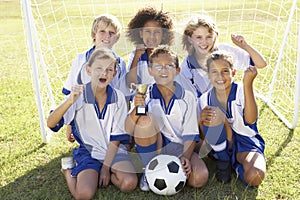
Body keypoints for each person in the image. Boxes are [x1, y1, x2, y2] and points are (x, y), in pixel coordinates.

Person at [47, 48, 138, 199]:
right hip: (89, 152)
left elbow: (116, 138)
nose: (104, 73)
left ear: (114, 74)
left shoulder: (119, 98)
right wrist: (69, 101)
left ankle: (104, 172)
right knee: (84, 194)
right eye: (99, 68)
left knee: (129, 183)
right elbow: (51, 123)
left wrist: (105, 168)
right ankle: (68, 171)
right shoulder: (77, 96)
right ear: (88, 70)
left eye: (109, 69)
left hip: (114, 151)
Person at [125, 45, 209, 192]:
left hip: (180, 146)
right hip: (156, 145)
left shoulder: (187, 97)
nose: (163, 70)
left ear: (177, 71)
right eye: (158, 66)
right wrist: (137, 108)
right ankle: (149, 169)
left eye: (169, 66)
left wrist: (186, 157)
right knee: (144, 120)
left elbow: (190, 134)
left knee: (200, 178)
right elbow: (128, 128)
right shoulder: (146, 94)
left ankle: (173, 172)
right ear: (150, 71)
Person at [198, 50, 266, 186]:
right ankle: (224, 161)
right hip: (221, 143)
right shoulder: (204, 99)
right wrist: (200, 121)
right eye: (214, 72)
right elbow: (202, 136)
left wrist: (248, 85)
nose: (220, 76)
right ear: (208, 75)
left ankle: (236, 164)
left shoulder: (241, 91)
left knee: (255, 176)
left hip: (245, 141)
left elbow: (251, 120)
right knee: (212, 116)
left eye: (225, 71)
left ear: (233, 72)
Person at [62, 14, 129, 143]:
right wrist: (69, 125)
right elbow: (71, 94)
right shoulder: (81, 59)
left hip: (110, 117)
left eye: (111, 33)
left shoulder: (120, 64)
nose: (107, 36)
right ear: (94, 35)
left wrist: (125, 129)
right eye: (102, 31)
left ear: (117, 38)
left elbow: (124, 97)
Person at [180, 15, 267, 112]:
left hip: (232, 108)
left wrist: (244, 46)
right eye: (199, 37)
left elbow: (261, 64)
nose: (204, 42)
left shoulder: (224, 51)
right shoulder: (186, 67)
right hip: (208, 114)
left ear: (215, 36)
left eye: (208, 37)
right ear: (190, 39)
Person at [125, 6, 195, 96]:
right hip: (142, 102)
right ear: (140, 33)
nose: (152, 36)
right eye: (148, 31)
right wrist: (136, 57)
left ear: (163, 34)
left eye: (157, 32)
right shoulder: (136, 56)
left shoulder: (169, 56)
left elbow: (179, 83)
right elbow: (131, 84)